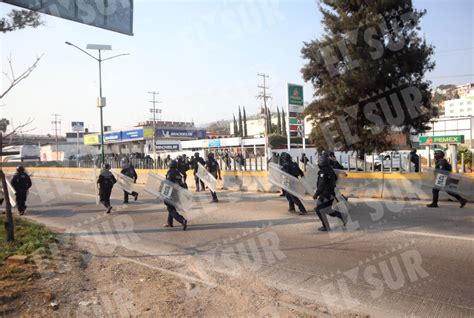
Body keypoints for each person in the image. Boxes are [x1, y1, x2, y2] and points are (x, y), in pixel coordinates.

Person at [314, 153, 347, 231]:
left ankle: (326, 226)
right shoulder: (330, 170)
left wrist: (317, 193)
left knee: (319, 209)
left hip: (325, 194)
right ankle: (342, 215)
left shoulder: (323, 172)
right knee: (327, 210)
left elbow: (321, 185)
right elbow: (334, 180)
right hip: (331, 194)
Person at [163, 160, 188, 230]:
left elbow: (168, 183)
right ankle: (169, 223)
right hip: (177, 193)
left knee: (171, 209)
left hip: (171, 193)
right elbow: (183, 184)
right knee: (171, 207)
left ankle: (182, 220)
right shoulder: (179, 174)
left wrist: (164, 193)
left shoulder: (170, 173)